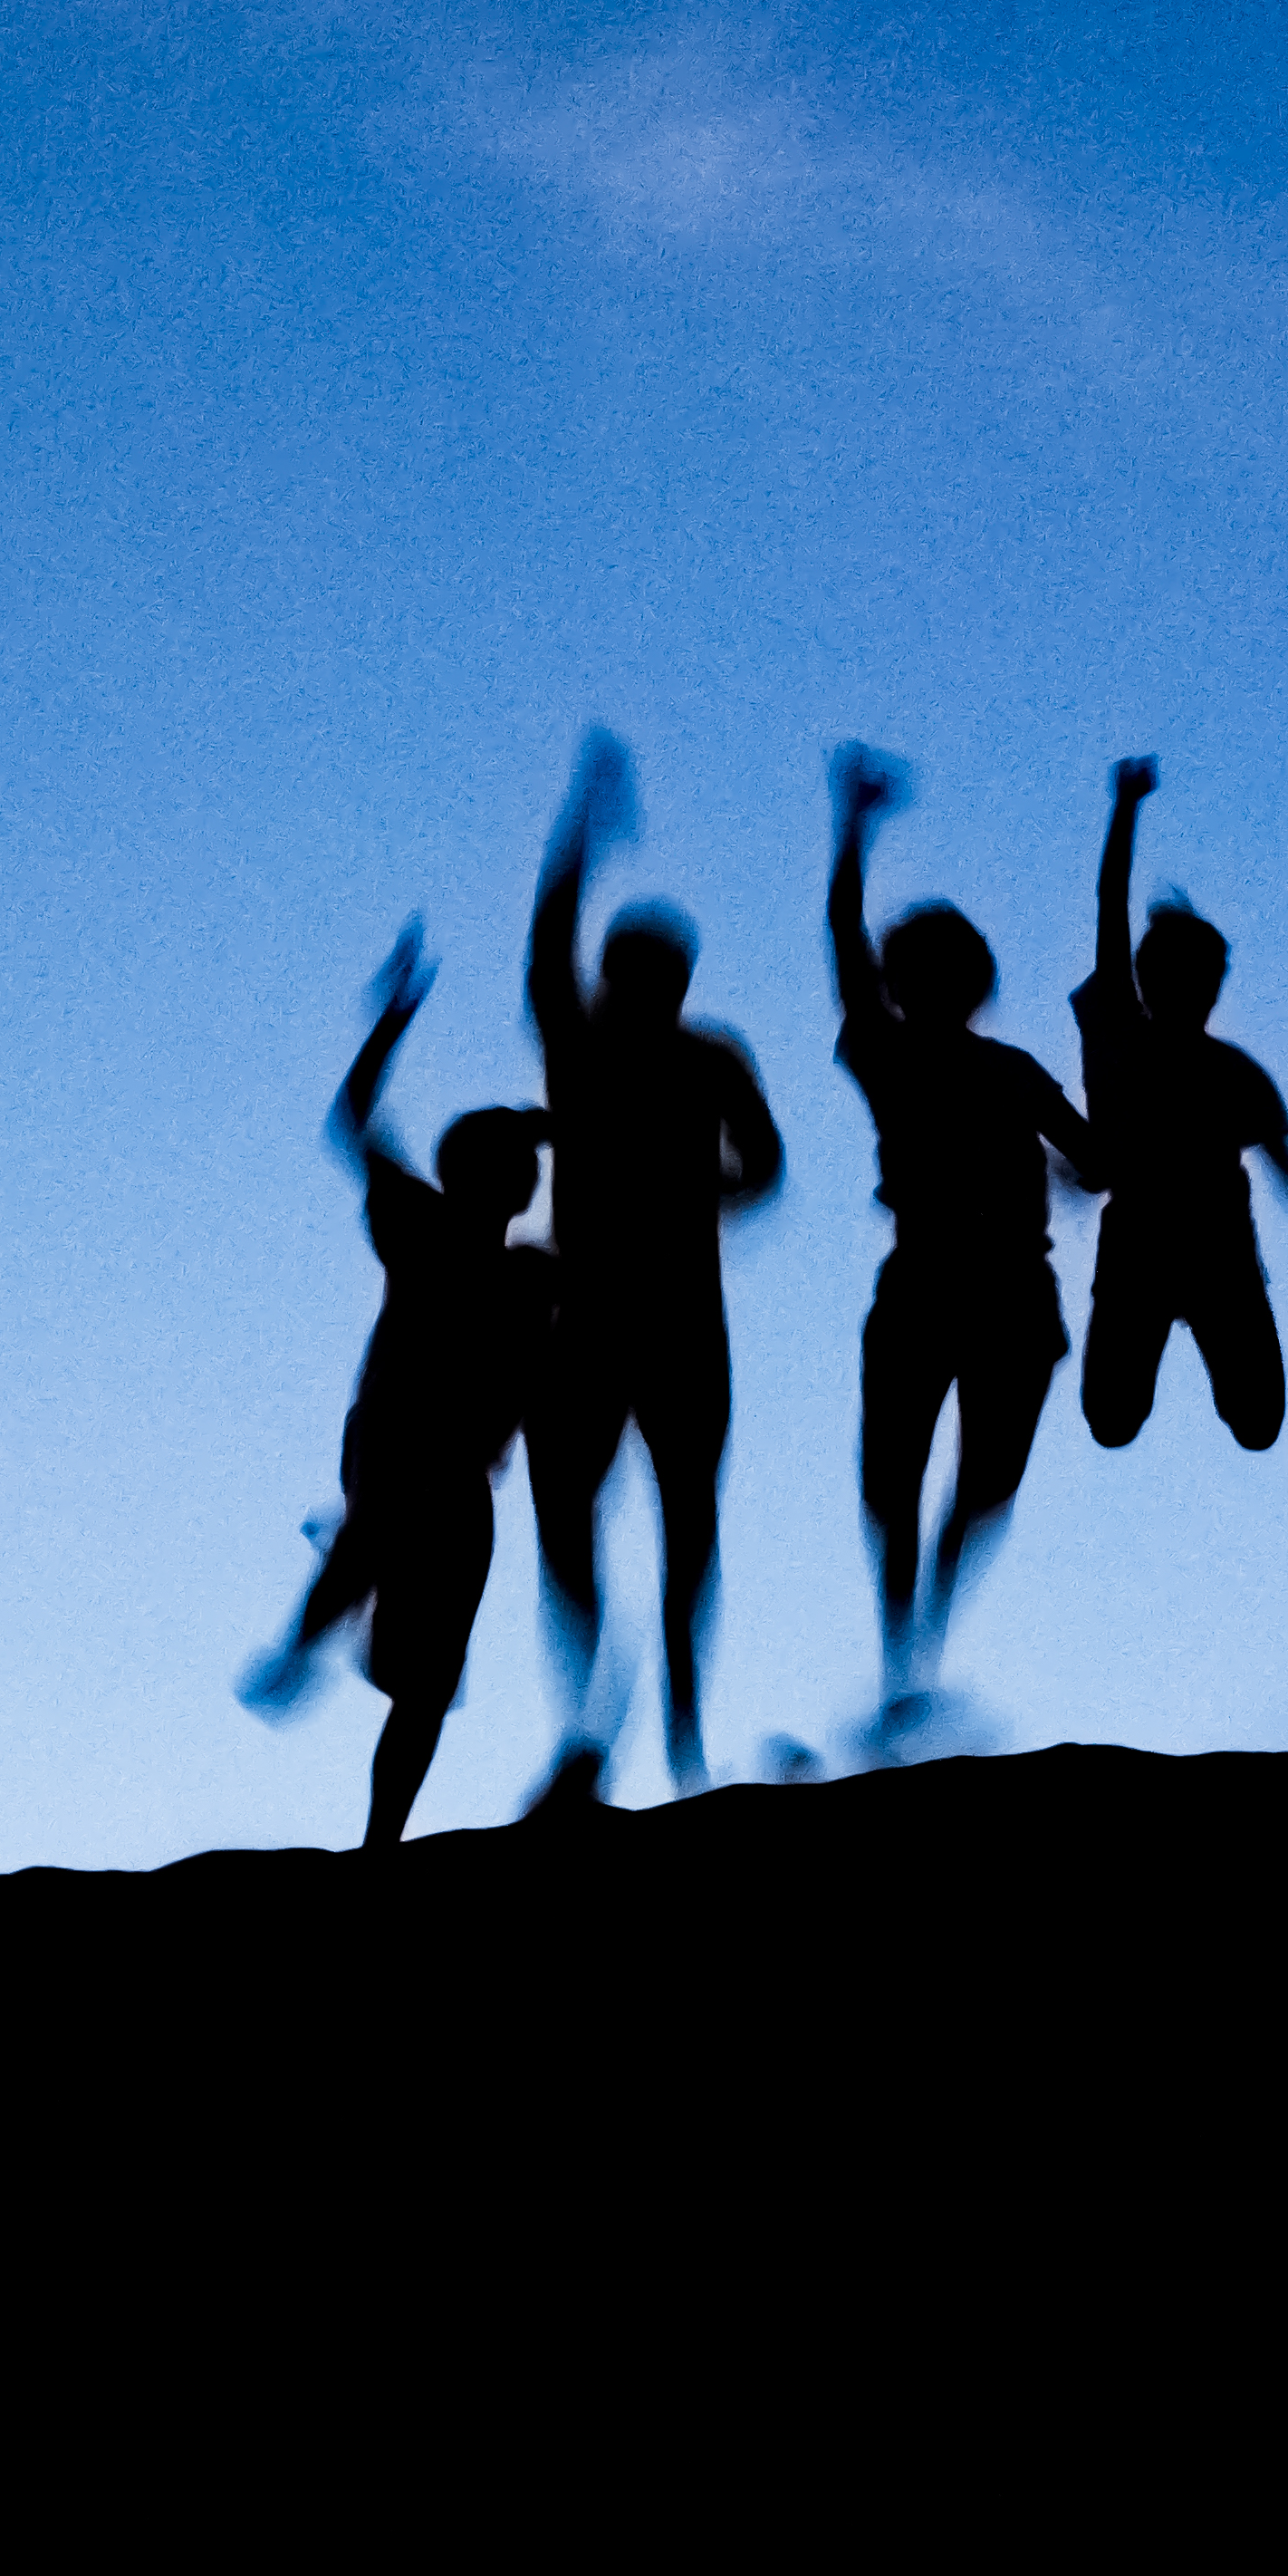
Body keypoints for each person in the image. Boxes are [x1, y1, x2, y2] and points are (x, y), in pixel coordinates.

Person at [242, 921, 557, 1848]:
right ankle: (318, 1636)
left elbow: (356, 1117)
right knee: (382, 1546)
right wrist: (391, 1020)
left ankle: (384, 1835)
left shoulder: (523, 1272)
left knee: (426, 1676)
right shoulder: (432, 1226)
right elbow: (357, 1116)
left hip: (451, 1468)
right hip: (402, 1445)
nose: (525, 1177)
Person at [524, 731, 784, 1805]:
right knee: (583, 1529)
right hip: (602, 1315)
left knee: (678, 1528)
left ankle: (666, 1732)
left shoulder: (698, 1055)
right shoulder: (587, 1042)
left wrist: (702, 1197)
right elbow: (547, 934)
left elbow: (764, 1165)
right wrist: (581, 820)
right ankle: (613, 1722)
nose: (645, 984)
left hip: (665, 1317)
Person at [831, 745, 1110, 1726]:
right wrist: (851, 830)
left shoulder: (1009, 1068)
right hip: (943, 1278)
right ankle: (911, 1642)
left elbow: (1096, 1159)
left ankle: (917, 1639)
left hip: (998, 1286)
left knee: (967, 1485)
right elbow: (842, 944)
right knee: (903, 1484)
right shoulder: (891, 1052)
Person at [1075, 758, 1288, 1454]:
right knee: (1118, 1420)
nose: (1201, 991)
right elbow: (1110, 907)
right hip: (1166, 1251)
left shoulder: (1230, 1069)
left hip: (1206, 1253)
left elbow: (1278, 1152)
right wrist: (1124, 810)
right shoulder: (1125, 1031)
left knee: (1251, 1423)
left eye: (1207, 980)